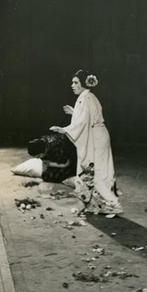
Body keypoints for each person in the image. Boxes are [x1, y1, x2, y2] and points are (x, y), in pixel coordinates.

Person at [50, 70, 123, 217]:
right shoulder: (89, 96)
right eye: (73, 82)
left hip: (95, 137)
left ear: (83, 83)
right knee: (98, 171)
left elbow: (83, 122)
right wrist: (74, 112)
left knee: (98, 172)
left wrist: (64, 130)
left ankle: (112, 205)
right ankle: (98, 205)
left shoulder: (85, 98)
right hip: (99, 135)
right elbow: (85, 116)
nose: (72, 85)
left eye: (76, 82)